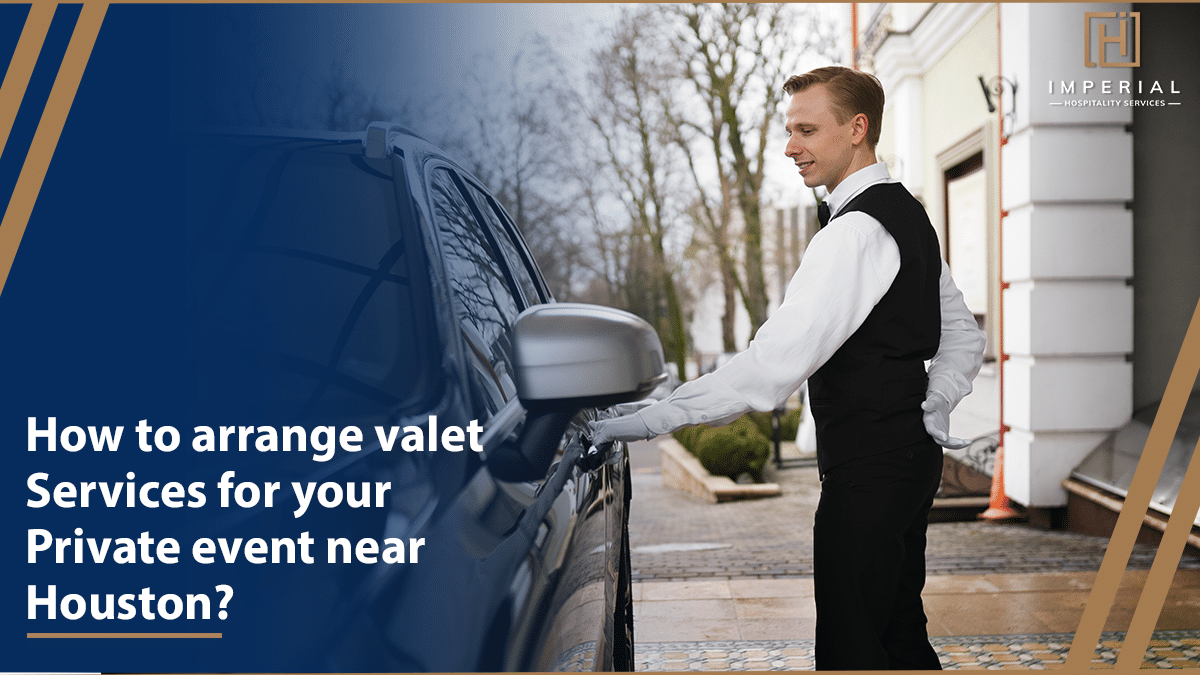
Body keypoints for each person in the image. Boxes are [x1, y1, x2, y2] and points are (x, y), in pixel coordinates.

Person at [588, 66, 986, 670]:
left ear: (857, 129)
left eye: (805, 129)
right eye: (787, 130)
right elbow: (963, 336)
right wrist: (934, 400)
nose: (789, 147)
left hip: (868, 474)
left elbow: (771, 367)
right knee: (899, 633)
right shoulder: (908, 215)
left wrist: (647, 419)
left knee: (855, 649)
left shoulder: (852, 234)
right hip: (908, 462)